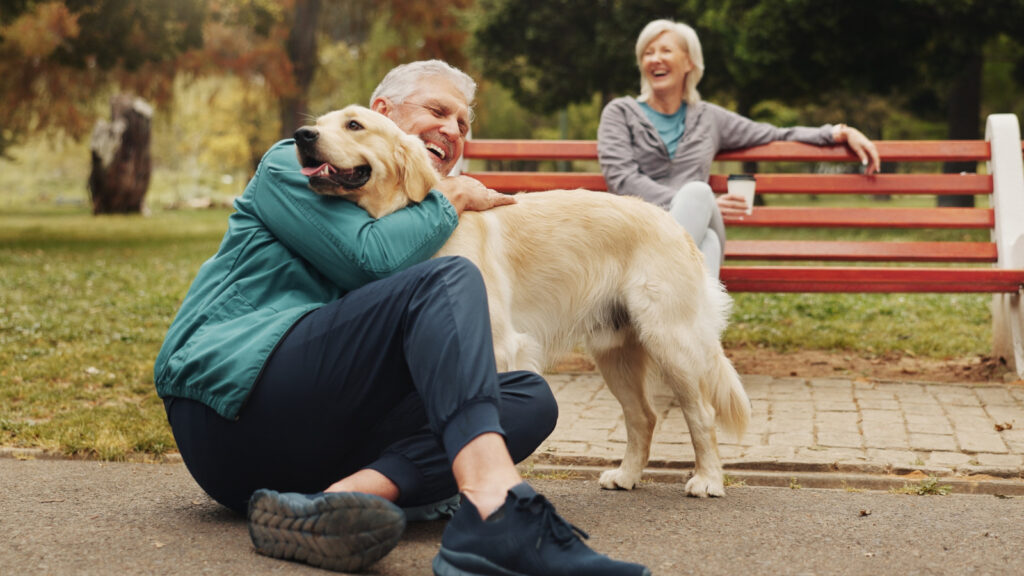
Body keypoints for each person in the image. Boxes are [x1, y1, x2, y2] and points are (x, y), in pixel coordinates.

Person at [154, 59, 650, 576]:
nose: (451, 130)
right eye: (437, 110)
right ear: (383, 112)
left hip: (315, 450)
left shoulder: (418, 220)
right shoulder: (296, 163)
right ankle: (498, 513)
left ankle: (334, 505)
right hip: (228, 410)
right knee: (451, 278)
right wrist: (450, 197)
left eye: (462, 123)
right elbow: (366, 260)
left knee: (528, 397)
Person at [597, 19, 882, 278]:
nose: (655, 59)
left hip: (658, 256)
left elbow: (775, 133)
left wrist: (838, 132)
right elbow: (622, 180)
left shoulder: (708, 117)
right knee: (705, 235)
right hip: (639, 232)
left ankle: (648, 293)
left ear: (689, 63)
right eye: (647, 53)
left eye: (665, 50)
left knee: (698, 194)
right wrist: (694, 205)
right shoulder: (620, 112)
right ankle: (695, 332)